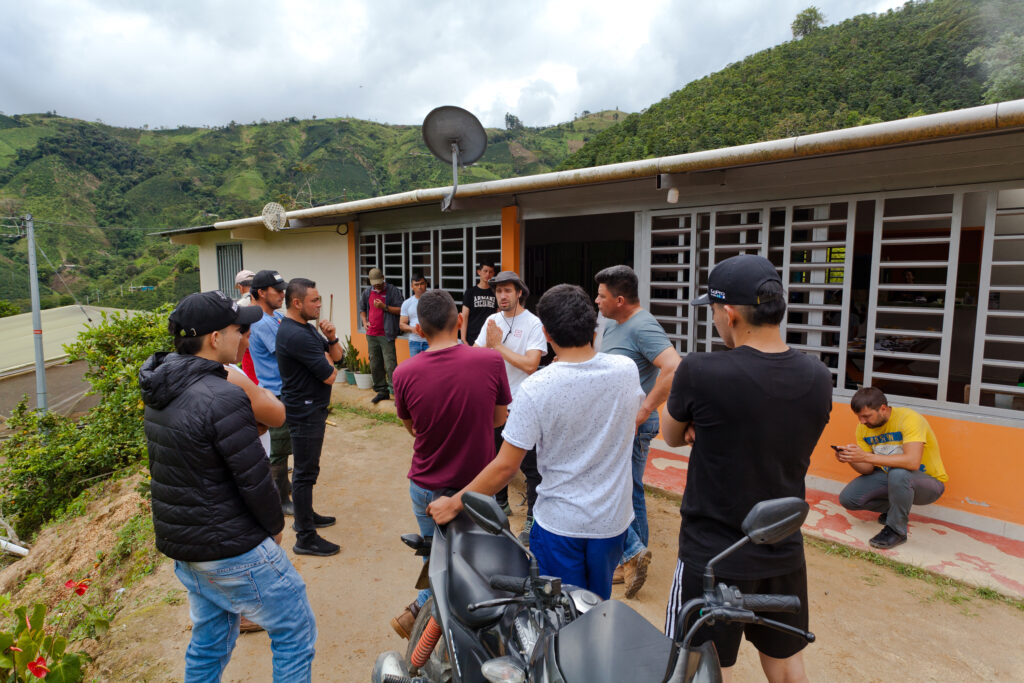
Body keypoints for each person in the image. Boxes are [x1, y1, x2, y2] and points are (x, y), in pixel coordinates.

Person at [661, 254, 832, 683]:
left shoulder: (701, 370)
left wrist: (700, 427)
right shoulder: (817, 375)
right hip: (782, 549)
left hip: (713, 555)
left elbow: (669, 433)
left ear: (730, 313)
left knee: (694, 666)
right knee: (788, 663)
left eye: (714, 311)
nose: (716, 320)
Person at [140, 291, 316, 680]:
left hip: (188, 545)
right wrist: (274, 528)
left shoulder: (160, 391)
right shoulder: (224, 396)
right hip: (231, 547)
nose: (246, 337)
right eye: (240, 329)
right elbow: (254, 479)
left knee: (212, 638)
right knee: (294, 628)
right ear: (215, 338)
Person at [428, 284, 644, 600]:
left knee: (558, 613)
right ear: (592, 327)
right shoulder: (626, 370)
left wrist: (454, 503)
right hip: (611, 524)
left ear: (546, 333)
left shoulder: (536, 388)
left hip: (560, 527)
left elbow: (504, 467)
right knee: (596, 606)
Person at [389, 289, 512, 638]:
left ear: (420, 331)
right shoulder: (489, 361)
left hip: (426, 486)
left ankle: (422, 613)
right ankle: (442, 624)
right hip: (478, 488)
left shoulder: (404, 373)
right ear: (459, 320)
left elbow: (412, 428)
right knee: (476, 566)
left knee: (438, 561)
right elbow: (498, 420)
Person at [594, 264, 680, 598]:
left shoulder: (643, 325)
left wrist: (644, 409)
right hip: (617, 425)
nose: (596, 301)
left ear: (619, 299)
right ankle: (631, 555)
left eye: (601, 296)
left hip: (635, 426)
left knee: (630, 492)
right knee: (621, 489)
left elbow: (674, 368)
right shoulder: (615, 323)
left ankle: (633, 556)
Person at [473, 270, 547, 544]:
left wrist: (497, 347)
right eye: (498, 291)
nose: (502, 295)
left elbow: (530, 364)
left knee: (530, 467)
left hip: (523, 405)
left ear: (519, 293)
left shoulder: (533, 323)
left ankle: (531, 519)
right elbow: (478, 350)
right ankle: (500, 504)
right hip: (495, 404)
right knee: (494, 459)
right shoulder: (491, 320)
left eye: (507, 290)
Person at [276, 278, 344, 557]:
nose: (319, 305)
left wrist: (331, 338)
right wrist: (326, 358)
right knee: (304, 474)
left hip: (313, 408)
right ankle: (305, 537)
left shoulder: (308, 330)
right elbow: (331, 376)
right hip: (304, 411)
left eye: (318, 300)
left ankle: (307, 515)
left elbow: (338, 358)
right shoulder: (295, 334)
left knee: (308, 471)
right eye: (314, 300)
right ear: (297, 303)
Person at [836, 387, 948, 550]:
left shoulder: (909, 419)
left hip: (928, 483)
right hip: (893, 478)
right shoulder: (863, 428)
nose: (862, 421)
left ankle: (896, 531)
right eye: (859, 416)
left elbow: (912, 462)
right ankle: (894, 511)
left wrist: (867, 456)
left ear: (883, 408)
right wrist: (850, 458)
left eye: (866, 416)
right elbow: (867, 469)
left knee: (899, 472)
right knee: (849, 498)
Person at [248, 269, 295, 516]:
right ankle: (280, 499)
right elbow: (289, 349)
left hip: (283, 391)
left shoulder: (274, 317)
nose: (282, 294)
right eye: (277, 291)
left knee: (286, 447)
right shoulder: (261, 322)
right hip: (275, 393)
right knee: (278, 451)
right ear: (261, 293)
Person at [358, 267, 404, 404]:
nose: (377, 286)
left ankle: (396, 394)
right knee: (375, 363)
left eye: (379, 283)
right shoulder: (367, 292)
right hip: (371, 334)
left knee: (391, 365)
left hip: (386, 334)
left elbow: (401, 309)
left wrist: (384, 307)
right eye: (374, 284)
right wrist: (365, 322)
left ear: (383, 278)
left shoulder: (392, 290)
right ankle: (381, 391)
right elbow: (362, 308)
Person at [461, 261, 497, 345]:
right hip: (471, 337)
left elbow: (498, 316)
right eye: (485, 271)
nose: (488, 274)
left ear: (493, 274)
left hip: (488, 338)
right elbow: (464, 316)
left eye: (490, 272)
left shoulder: (495, 293)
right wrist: (463, 339)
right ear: (479, 272)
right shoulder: (470, 292)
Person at [399, 272, 429, 357]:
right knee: (415, 369)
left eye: (422, 284)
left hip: (431, 341)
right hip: (414, 342)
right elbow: (401, 324)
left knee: (431, 369)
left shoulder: (433, 300)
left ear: (426, 284)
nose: (419, 287)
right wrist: (413, 329)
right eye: (416, 284)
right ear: (412, 287)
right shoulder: (407, 303)